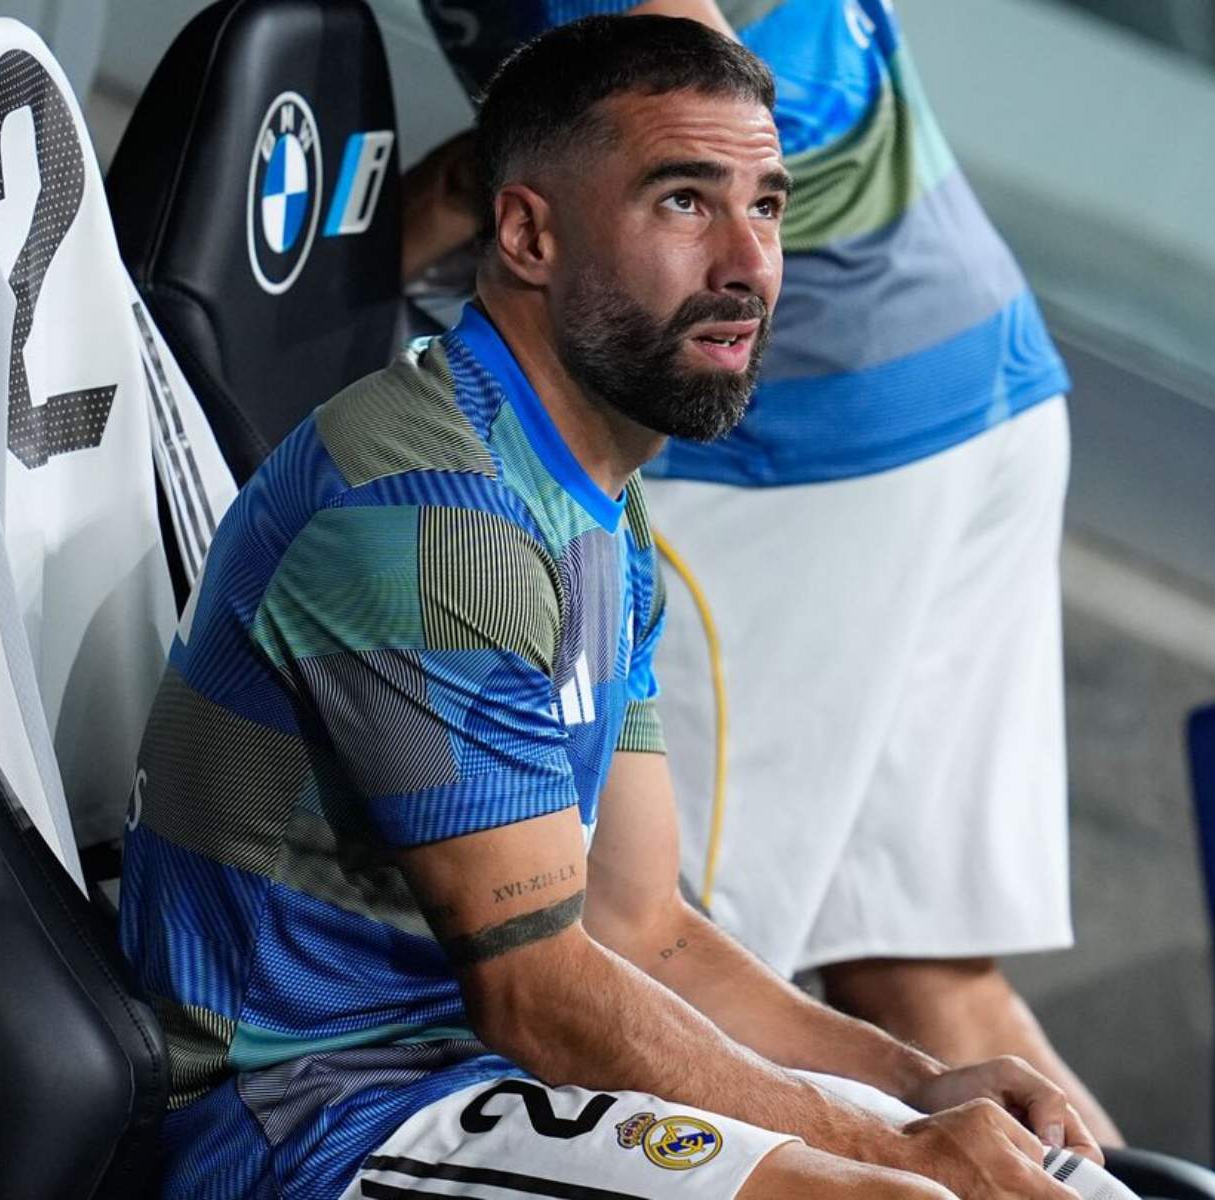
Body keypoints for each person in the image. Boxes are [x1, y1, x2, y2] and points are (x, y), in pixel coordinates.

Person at [120, 17, 1135, 1200]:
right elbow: (539, 990)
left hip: (466, 1076)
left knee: (1036, 1173)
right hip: (308, 1119)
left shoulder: (595, 499)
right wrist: (889, 1148)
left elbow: (642, 926)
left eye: (766, 205)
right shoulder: (436, 519)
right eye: (683, 204)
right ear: (527, 232)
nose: (748, 266)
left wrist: (914, 1088)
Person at [405, 0, 1123, 1146]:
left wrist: (410, 222)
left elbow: (684, 115)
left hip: (811, 451)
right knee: (924, 981)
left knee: (665, 980)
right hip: (972, 368)